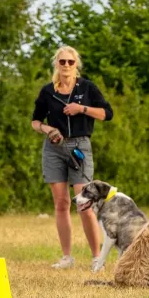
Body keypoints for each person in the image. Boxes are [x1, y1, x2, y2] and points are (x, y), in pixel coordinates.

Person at [31, 46, 113, 270]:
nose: (66, 66)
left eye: (70, 62)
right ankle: (67, 257)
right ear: (56, 64)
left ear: (76, 64)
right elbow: (35, 121)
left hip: (80, 147)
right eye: (62, 62)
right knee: (61, 203)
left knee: (84, 202)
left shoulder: (87, 88)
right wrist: (48, 130)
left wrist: (82, 108)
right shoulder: (48, 91)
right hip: (54, 147)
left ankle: (97, 257)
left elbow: (107, 114)